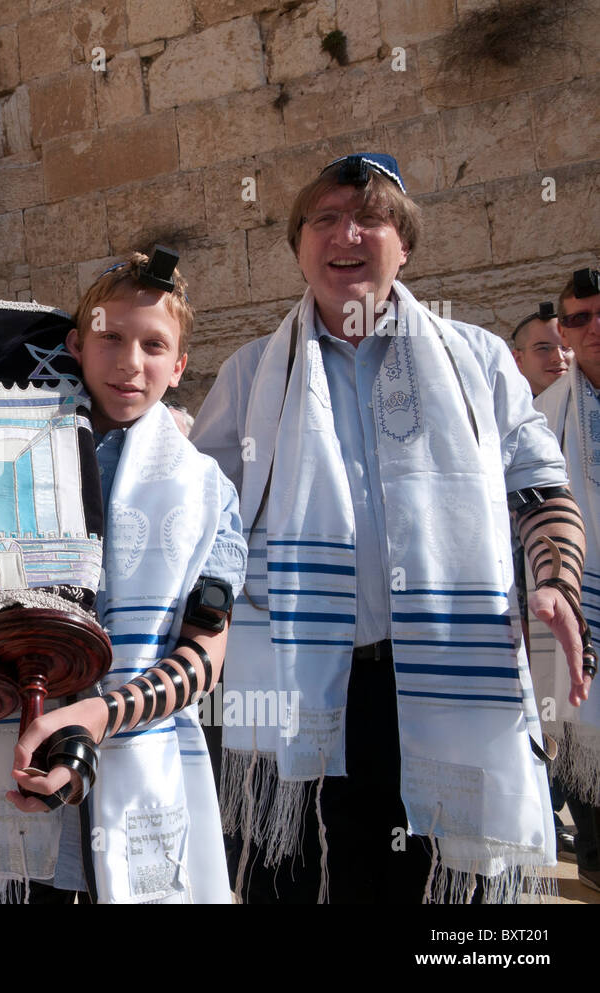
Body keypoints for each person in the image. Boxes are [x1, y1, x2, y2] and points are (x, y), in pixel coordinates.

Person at [190, 153, 591, 903]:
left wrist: (556, 581)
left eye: (370, 217)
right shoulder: (248, 378)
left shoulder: (478, 363)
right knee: (311, 882)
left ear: (404, 243)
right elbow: (206, 523)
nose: (347, 233)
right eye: (325, 219)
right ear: (300, 244)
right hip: (306, 688)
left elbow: (540, 491)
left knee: (452, 893)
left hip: (447, 675)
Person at [0, 250, 247, 903]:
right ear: (75, 345)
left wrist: (98, 715)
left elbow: (205, 652)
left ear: (180, 366)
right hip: (7, 772)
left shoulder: (204, 494)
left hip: (137, 769)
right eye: (110, 337)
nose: (129, 361)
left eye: (153, 344)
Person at [531, 266, 600, 893]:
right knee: (584, 738)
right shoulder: (544, 414)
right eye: (578, 318)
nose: (592, 327)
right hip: (581, 600)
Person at [511, 302, 571, 397]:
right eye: (543, 348)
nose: (559, 358)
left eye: (566, 347)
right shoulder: (508, 410)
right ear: (518, 359)